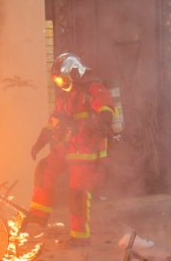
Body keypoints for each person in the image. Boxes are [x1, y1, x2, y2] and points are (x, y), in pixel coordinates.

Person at [23, 52, 116, 247]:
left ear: (74, 72)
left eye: (63, 78)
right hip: (69, 147)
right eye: (58, 80)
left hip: (87, 151)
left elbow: (106, 106)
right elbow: (54, 122)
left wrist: (100, 122)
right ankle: (38, 217)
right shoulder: (65, 96)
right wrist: (40, 142)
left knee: (77, 192)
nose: (61, 83)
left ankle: (80, 237)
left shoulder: (92, 87)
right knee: (44, 168)